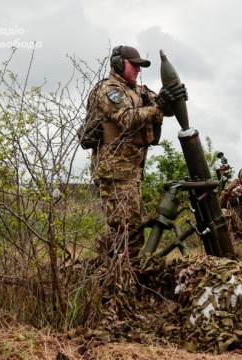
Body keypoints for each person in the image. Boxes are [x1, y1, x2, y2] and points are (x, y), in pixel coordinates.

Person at [84, 45, 187, 258]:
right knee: (129, 232)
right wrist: (159, 104)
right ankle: (117, 278)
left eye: (140, 66)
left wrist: (174, 96)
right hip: (114, 171)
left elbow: (162, 106)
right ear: (119, 63)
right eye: (134, 65)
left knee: (128, 230)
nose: (138, 70)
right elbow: (127, 119)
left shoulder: (137, 90)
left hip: (132, 171)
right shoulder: (108, 90)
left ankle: (100, 266)